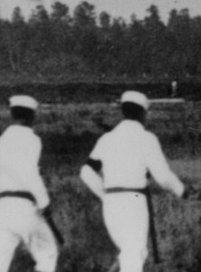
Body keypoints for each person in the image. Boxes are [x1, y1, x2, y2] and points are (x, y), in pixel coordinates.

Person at [79, 91, 186, 272]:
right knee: (134, 257)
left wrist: (105, 195)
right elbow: (163, 177)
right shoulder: (147, 139)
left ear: (123, 111)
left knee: (133, 253)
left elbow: (86, 172)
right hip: (134, 203)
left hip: (111, 205)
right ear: (143, 113)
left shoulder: (106, 139)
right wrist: (182, 191)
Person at [0, 95, 58, 272]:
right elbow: (31, 174)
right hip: (25, 206)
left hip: (2, 208)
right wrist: (44, 203)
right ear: (31, 116)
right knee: (47, 252)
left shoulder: (0, 141)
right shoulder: (32, 140)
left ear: (13, 114)